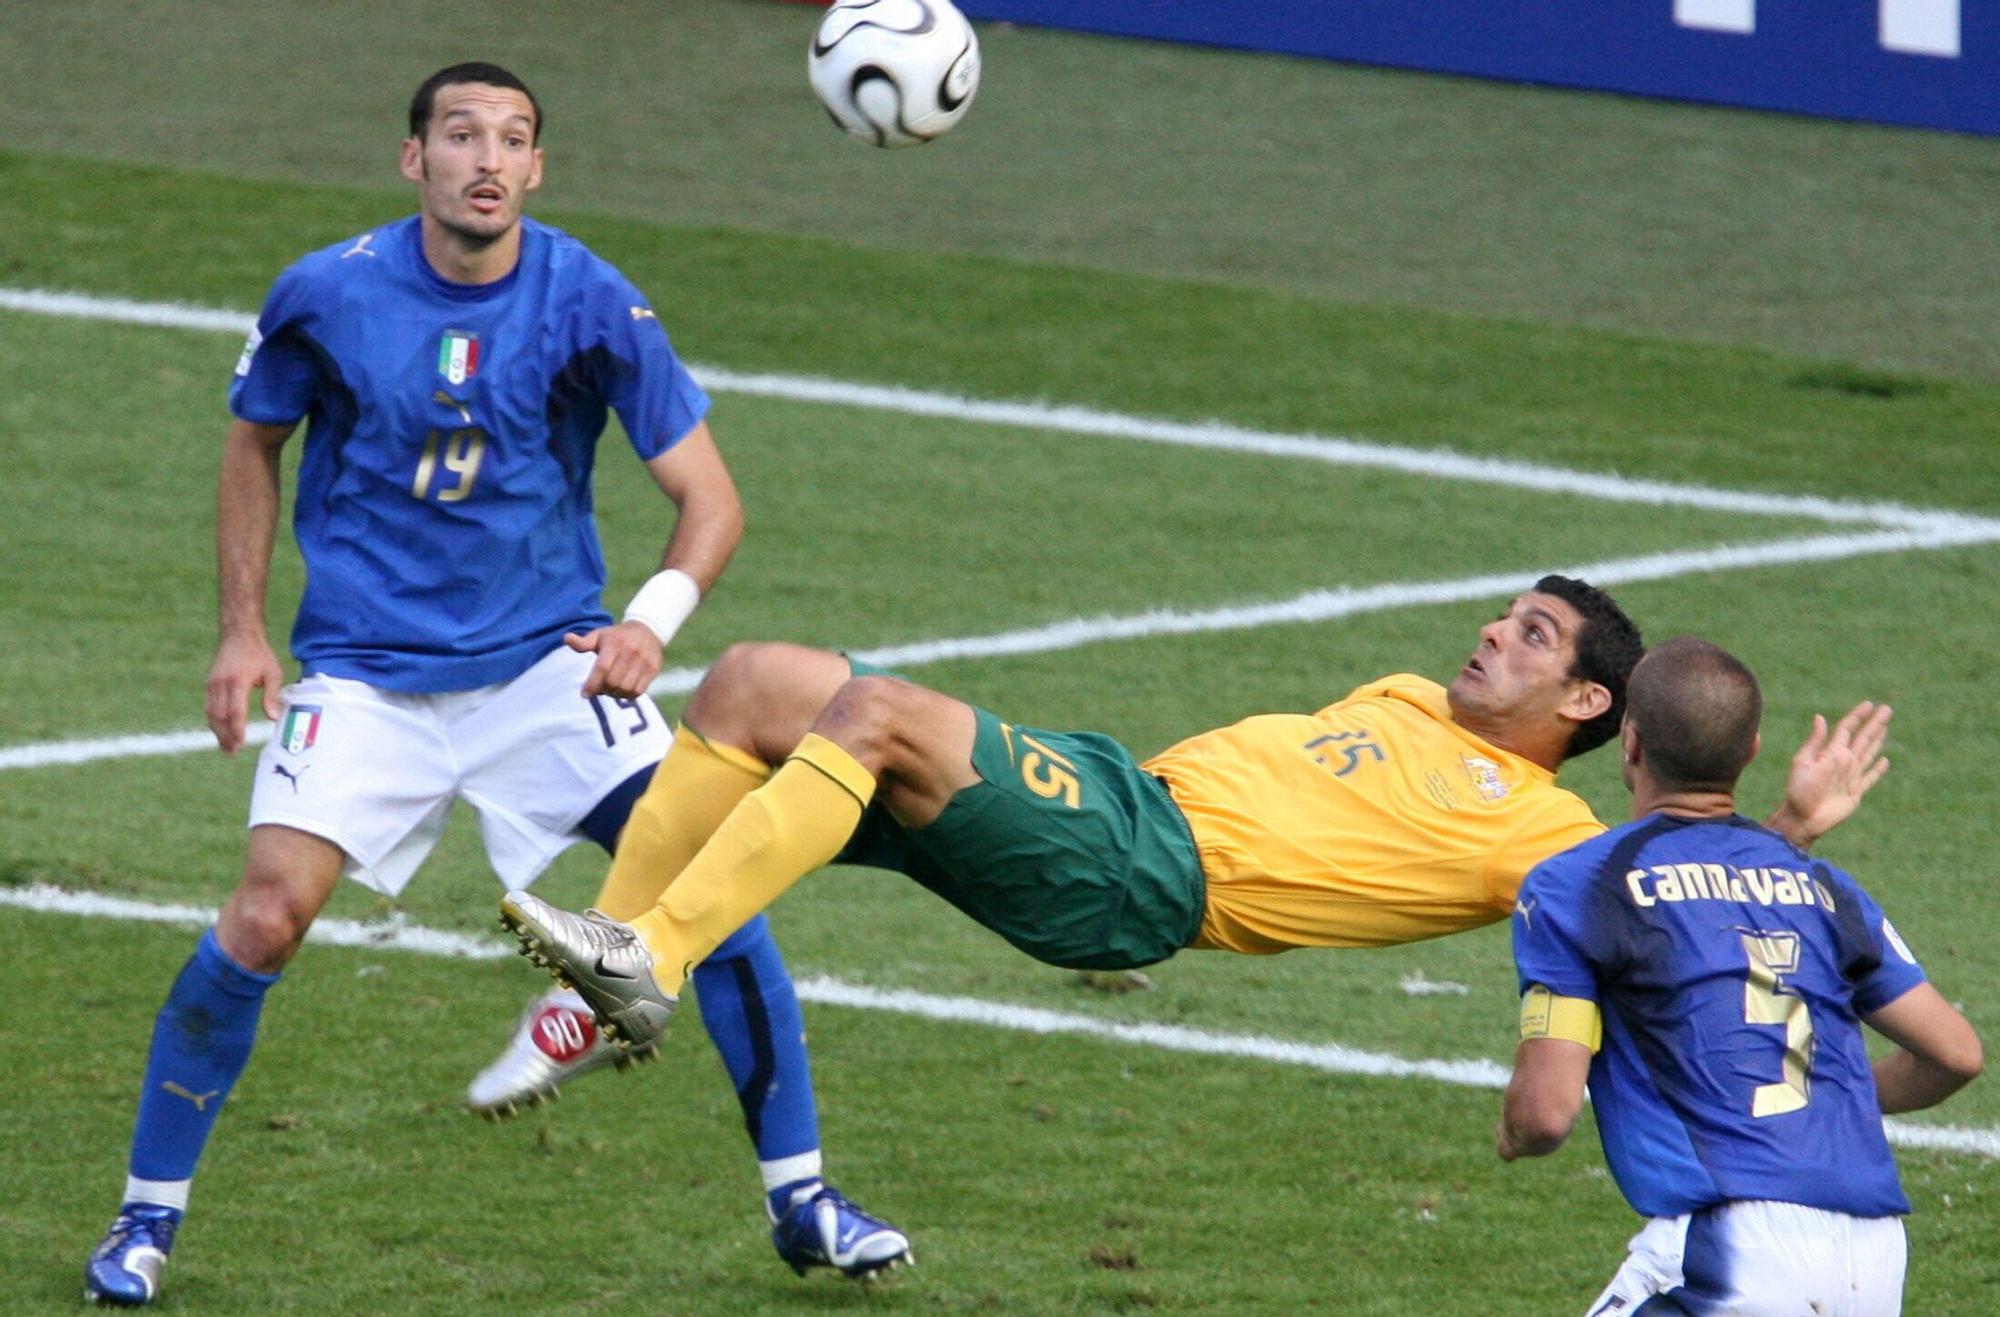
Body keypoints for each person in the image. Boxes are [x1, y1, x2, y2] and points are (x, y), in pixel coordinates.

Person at [83, 63, 907, 1307]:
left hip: (551, 671)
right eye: (459, 134)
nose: (486, 157)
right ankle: (145, 1223)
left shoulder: (591, 302)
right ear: (412, 159)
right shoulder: (327, 293)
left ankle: (803, 1201)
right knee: (264, 917)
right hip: (365, 676)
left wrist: (647, 623)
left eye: (511, 139)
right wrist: (241, 631)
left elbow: (711, 502)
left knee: (716, 891)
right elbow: (255, 441)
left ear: (535, 170)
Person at [498, 577, 1884, 1082]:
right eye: (1503, 613)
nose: (1490, 633)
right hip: (1118, 798)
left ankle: (651, 957)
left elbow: (1681, 880)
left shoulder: (1538, 830)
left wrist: (1793, 825)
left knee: (873, 711)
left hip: (1145, 868)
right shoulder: (1411, 696)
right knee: (754, 687)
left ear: (1587, 700)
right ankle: (607, 979)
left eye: (1530, 636)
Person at [1497, 636, 1981, 1315]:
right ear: (1751, 750)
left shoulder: (1578, 883)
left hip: (1731, 1249)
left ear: (1629, 742)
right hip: (1873, 1259)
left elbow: (1546, 1114)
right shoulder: (1823, 886)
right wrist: (1817, 1103)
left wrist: (1514, 1134)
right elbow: (1955, 1052)